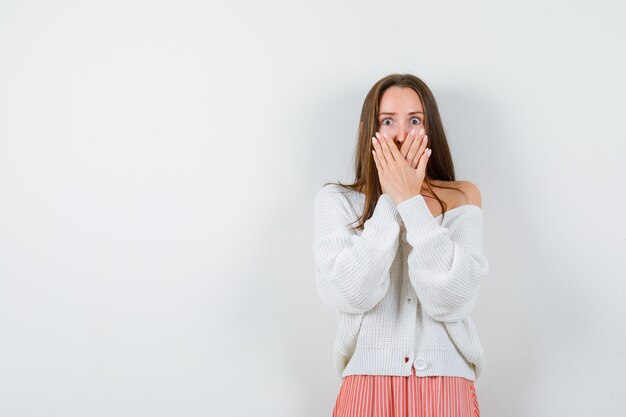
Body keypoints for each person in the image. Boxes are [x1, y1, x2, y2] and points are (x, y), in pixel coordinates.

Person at [312, 73, 489, 417]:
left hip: (446, 384)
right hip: (367, 385)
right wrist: (393, 199)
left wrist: (411, 200)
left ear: (429, 130)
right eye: (388, 121)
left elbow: (451, 301)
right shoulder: (336, 201)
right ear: (368, 132)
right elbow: (351, 294)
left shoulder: (462, 197)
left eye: (415, 120)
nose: (402, 133)